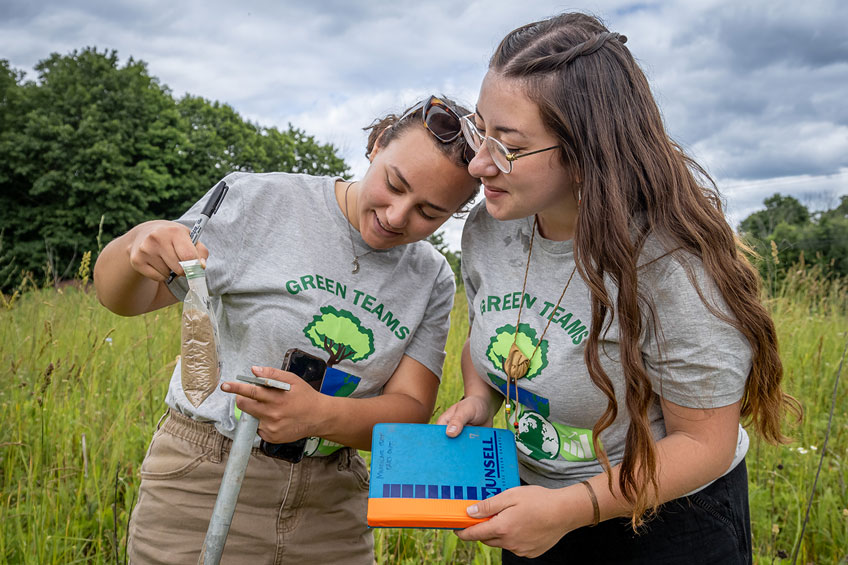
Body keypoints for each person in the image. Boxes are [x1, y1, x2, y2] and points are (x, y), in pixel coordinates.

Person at [436, 13, 800, 564]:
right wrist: (480, 398)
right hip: (537, 507)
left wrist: (570, 509)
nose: (479, 161)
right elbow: (491, 331)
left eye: (507, 144)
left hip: (665, 521)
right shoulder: (490, 227)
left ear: (586, 153)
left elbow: (704, 444)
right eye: (478, 128)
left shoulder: (672, 264)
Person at [93, 95, 479, 565]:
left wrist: (318, 415)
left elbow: (410, 409)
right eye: (394, 185)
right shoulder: (260, 200)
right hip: (205, 481)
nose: (397, 216)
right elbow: (122, 300)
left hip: (332, 506)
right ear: (377, 145)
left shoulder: (432, 277)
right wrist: (136, 244)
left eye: (430, 212)